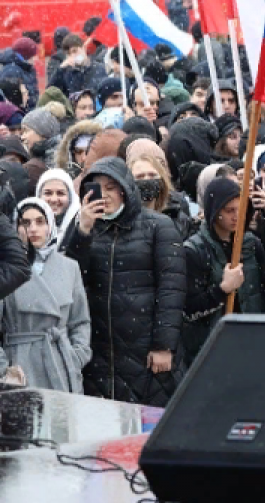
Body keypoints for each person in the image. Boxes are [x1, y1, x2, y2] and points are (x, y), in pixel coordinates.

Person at [64, 157, 186, 405]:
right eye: (97, 188)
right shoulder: (84, 228)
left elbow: (171, 289)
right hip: (99, 349)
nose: (105, 195)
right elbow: (71, 281)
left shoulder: (158, 227)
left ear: (125, 189)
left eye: (111, 187)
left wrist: (164, 345)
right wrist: (82, 232)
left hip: (143, 347)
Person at [0, 198, 90, 392]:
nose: (32, 229)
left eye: (40, 221)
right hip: (20, 367)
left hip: (62, 364)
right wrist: (4, 369)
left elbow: (80, 321)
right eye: (25, 223)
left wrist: (75, 358)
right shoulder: (8, 270)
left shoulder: (69, 267)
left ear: (51, 225)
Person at [181, 178, 265, 365]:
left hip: (250, 340)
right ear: (215, 211)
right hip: (212, 346)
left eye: (240, 209)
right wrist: (222, 290)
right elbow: (190, 309)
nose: (237, 216)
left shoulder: (251, 244)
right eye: (229, 211)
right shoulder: (194, 250)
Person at [126, 139, 195, 242]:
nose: (147, 179)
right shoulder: (123, 220)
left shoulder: (177, 215)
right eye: (140, 176)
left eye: (152, 175)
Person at [36, 169, 80, 236]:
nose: (54, 199)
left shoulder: (80, 228)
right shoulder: (27, 227)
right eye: (48, 193)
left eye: (60, 193)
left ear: (70, 197)